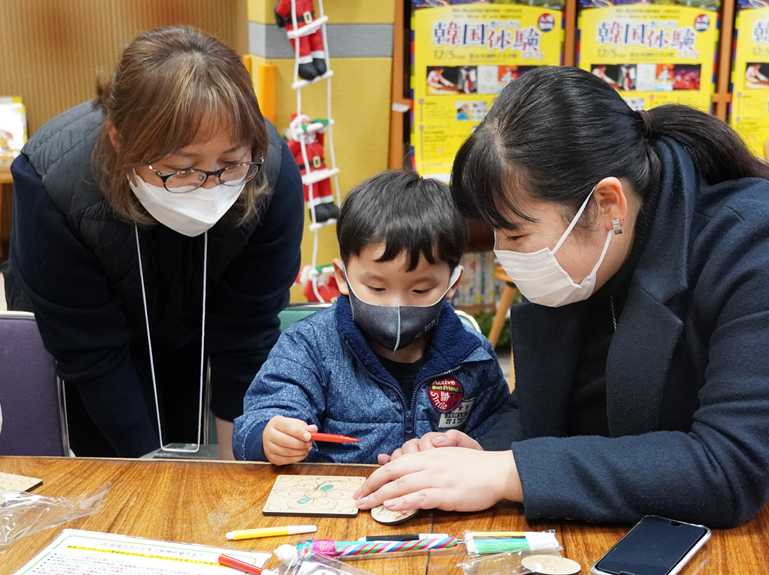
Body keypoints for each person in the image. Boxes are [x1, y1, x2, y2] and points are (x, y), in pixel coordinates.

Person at [354, 66, 769, 528]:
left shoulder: (752, 247)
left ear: (607, 205)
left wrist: (509, 472)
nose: (502, 255)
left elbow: (729, 468)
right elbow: (538, 408)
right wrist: (482, 453)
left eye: (515, 233)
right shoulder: (588, 255)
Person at [1, 26, 304, 459]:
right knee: (115, 459)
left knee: (192, 430)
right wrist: (147, 470)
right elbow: (90, 352)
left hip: (190, 319)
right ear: (118, 139)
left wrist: (240, 462)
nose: (208, 184)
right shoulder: (53, 183)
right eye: (180, 168)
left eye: (230, 163)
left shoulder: (269, 173)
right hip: (90, 336)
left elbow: (247, 331)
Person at [232, 170, 510, 465]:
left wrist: (475, 452)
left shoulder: (472, 358)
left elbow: (500, 434)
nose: (396, 305)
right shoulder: (309, 346)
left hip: (435, 504)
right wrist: (270, 437)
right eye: (377, 288)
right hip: (333, 504)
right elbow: (260, 417)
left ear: (452, 284)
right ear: (342, 277)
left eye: (420, 289)